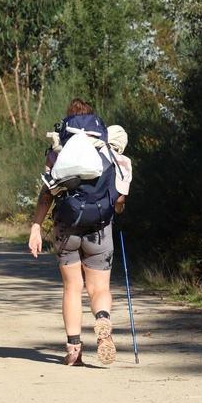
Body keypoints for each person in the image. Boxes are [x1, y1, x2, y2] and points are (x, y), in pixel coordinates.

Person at [28, 99, 126, 366]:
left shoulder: (58, 152)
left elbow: (47, 194)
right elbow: (118, 197)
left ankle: (74, 350)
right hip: (99, 228)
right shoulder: (107, 151)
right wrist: (116, 209)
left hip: (66, 227)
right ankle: (103, 319)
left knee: (72, 287)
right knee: (99, 287)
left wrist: (36, 226)